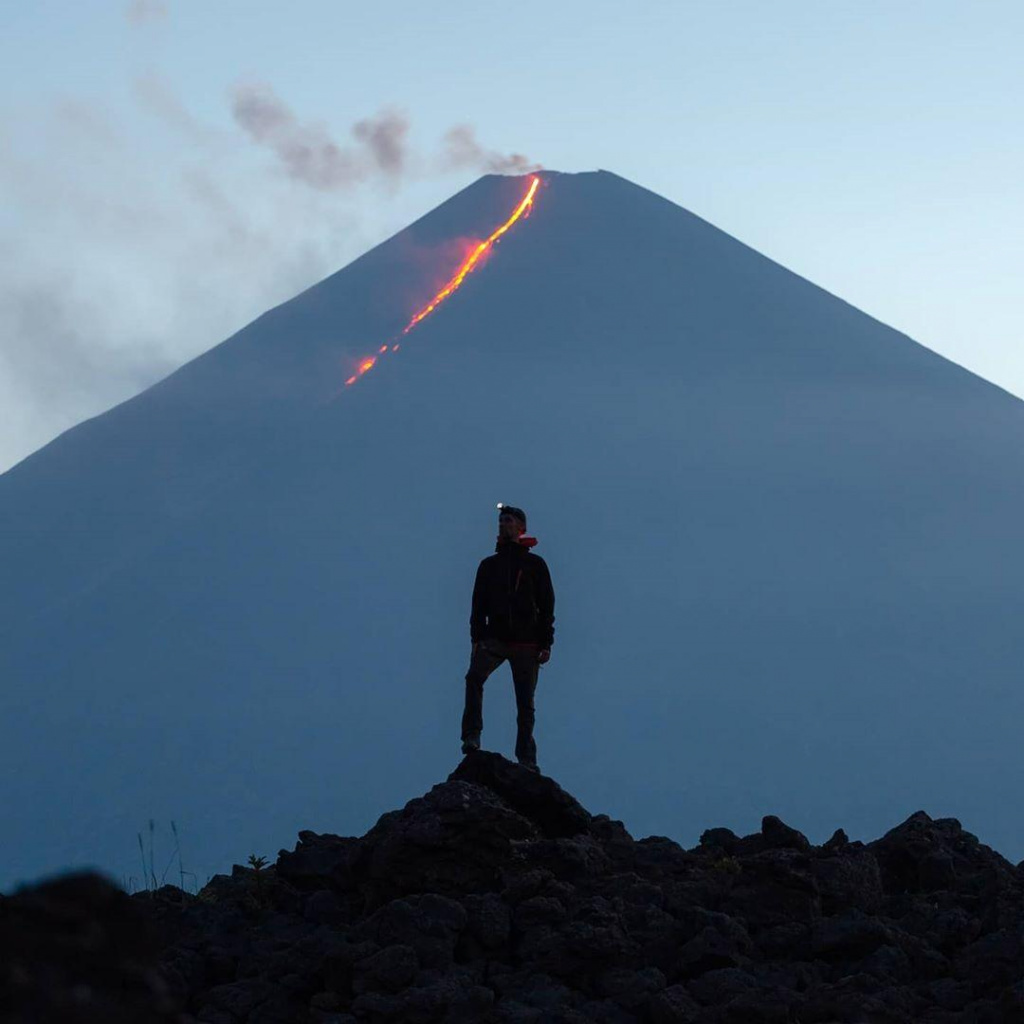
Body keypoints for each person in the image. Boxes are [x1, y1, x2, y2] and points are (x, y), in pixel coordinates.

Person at [461, 504, 555, 772]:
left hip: (527, 641)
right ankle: (472, 736)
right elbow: (478, 605)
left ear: (520, 527)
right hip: (496, 638)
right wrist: (477, 638)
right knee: (474, 678)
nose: (503, 524)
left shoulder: (535, 564)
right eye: (501, 520)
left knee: (525, 703)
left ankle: (526, 759)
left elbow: (547, 603)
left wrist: (546, 641)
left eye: (508, 520)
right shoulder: (489, 565)